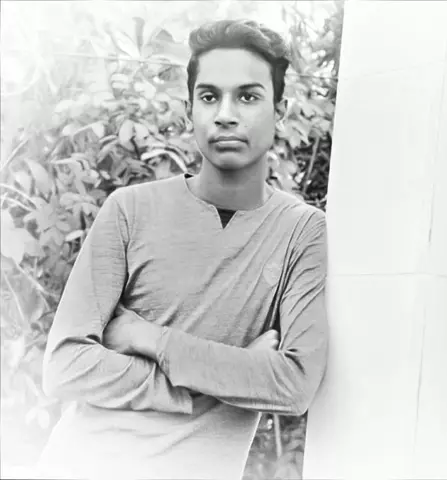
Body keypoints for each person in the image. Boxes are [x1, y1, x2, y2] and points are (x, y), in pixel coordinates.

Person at [37, 19, 329, 480]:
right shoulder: (129, 210)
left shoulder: (301, 231)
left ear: (280, 109)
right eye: (210, 97)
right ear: (190, 109)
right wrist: (219, 379)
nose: (226, 114)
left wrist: (150, 339)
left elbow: (293, 386)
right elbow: (64, 367)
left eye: (248, 97)